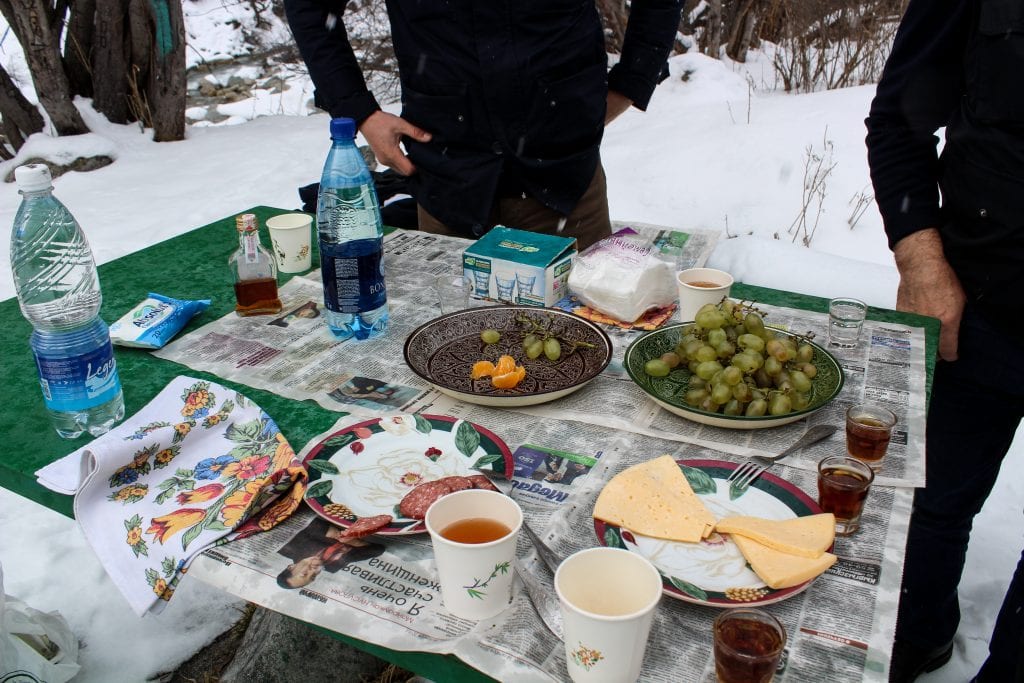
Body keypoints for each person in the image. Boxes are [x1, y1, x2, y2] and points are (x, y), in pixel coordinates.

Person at [864, 1, 1024, 681]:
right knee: (929, 502)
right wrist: (922, 263)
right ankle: (916, 638)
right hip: (978, 303)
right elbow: (897, 120)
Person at [284, 0, 684, 250]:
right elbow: (312, 7)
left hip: (564, 177)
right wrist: (361, 111)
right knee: (453, 352)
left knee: (586, 342)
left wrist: (631, 82)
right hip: (447, 179)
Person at [276, 517, 385, 589]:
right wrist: (353, 541)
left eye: (305, 573)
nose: (314, 571)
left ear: (291, 567)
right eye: (313, 577)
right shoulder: (333, 567)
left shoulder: (289, 548)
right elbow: (377, 550)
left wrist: (332, 533)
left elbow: (303, 521)